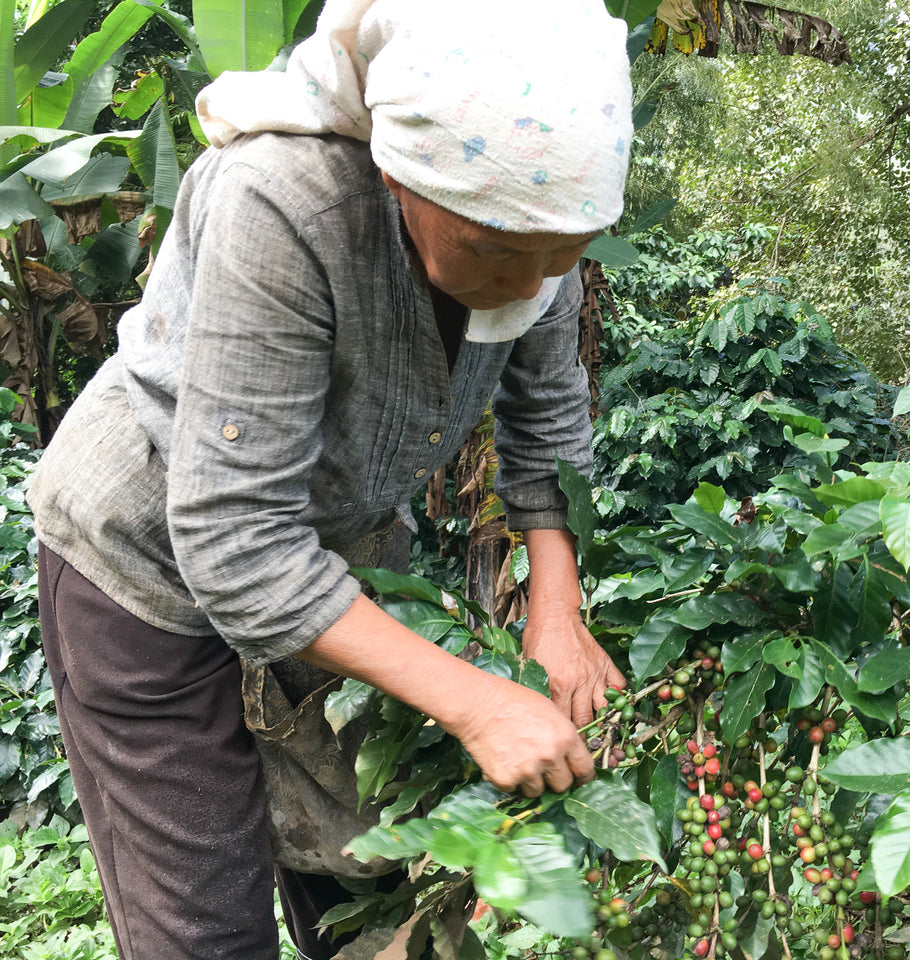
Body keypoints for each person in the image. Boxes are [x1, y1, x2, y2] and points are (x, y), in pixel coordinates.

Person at [25, 0, 631, 956]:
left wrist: (554, 607)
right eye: (502, 251)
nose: (531, 285)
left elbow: (545, 416)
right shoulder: (286, 202)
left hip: (333, 558)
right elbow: (233, 539)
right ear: (399, 172)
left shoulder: (535, 232)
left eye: (566, 256)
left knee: (390, 888)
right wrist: (476, 699)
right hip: (145, 571)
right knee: (204, 931)